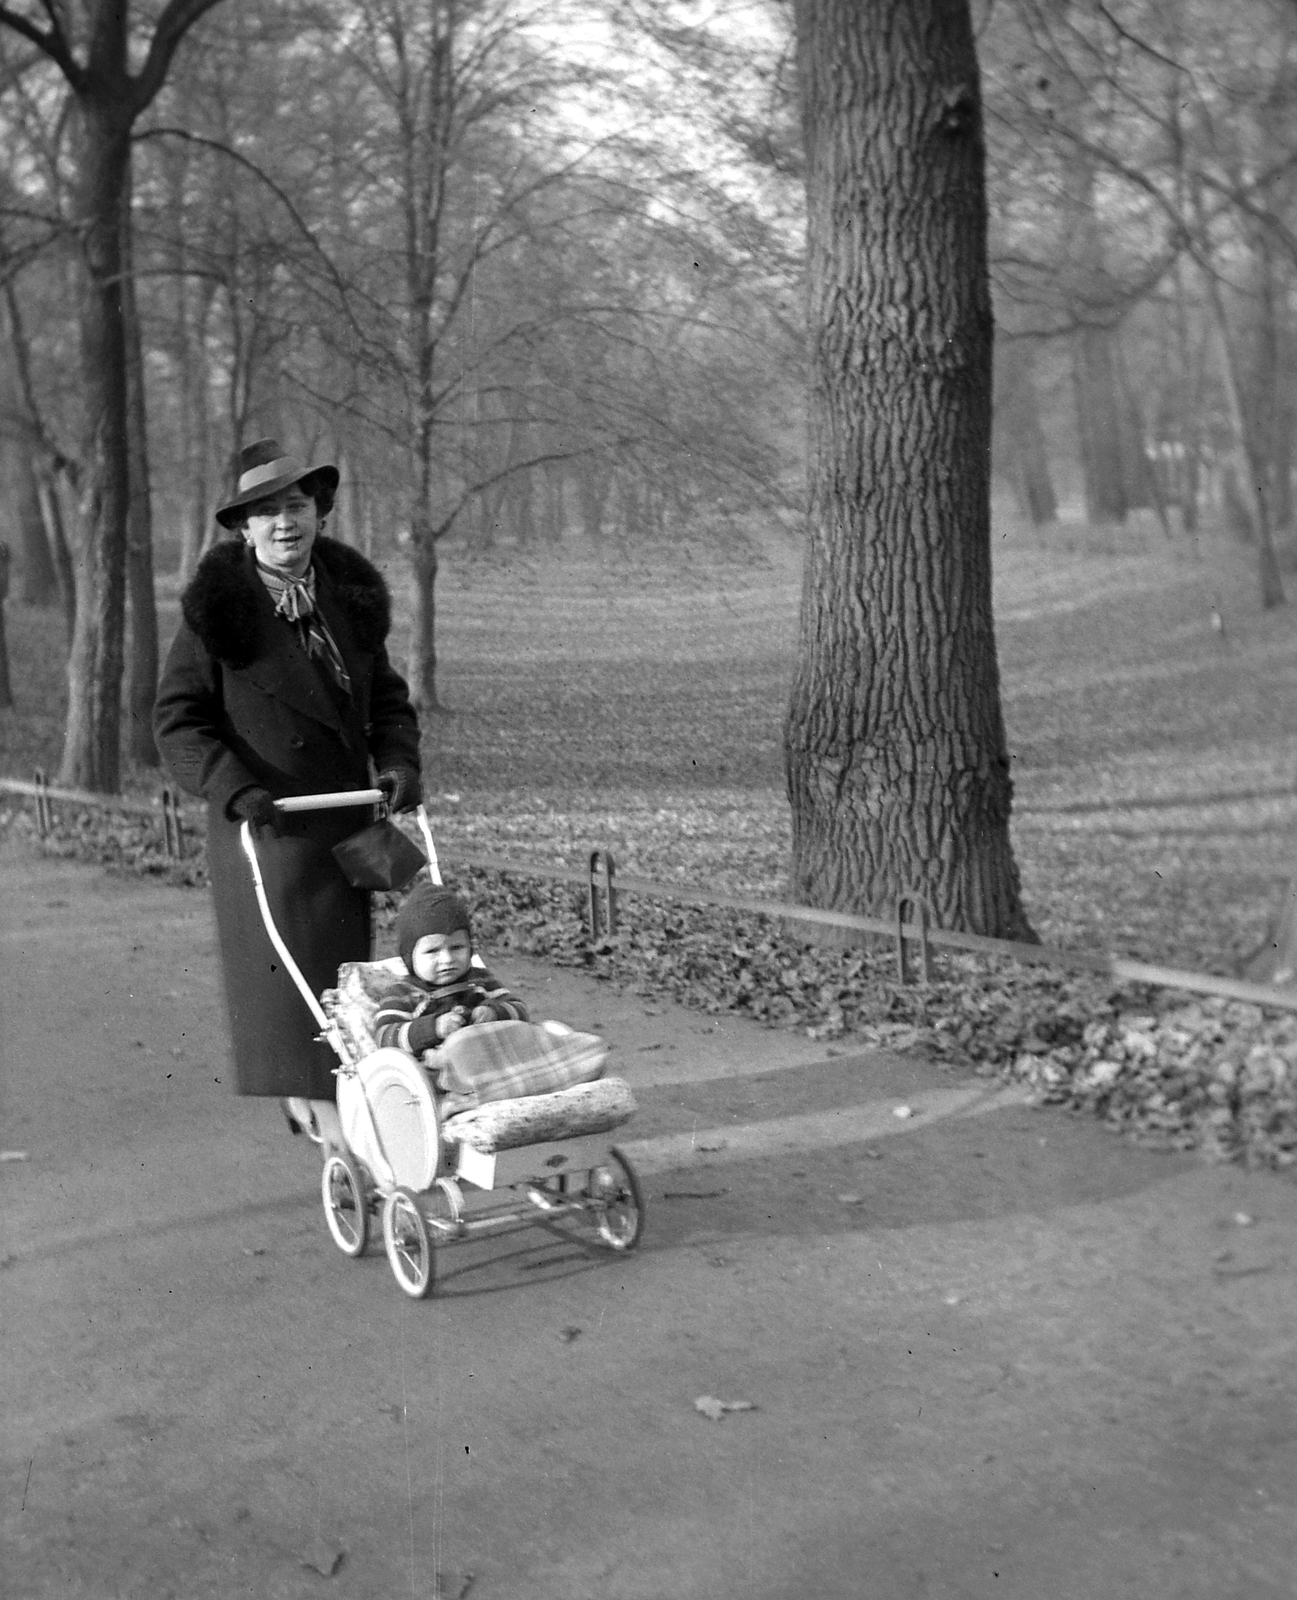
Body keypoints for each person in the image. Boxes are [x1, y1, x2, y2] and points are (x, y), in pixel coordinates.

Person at [154, 438, 422, 1151]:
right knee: (290, 983)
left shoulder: (349, 602)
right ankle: (327, 1115)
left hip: (346, 825)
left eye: (295, 505)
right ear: (244, 528)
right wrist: (231, 786)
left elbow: (388, 704)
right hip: (267, 828)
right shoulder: (218, 615)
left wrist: (396, 763)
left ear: (319, 514)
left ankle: (345, 1096)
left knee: (347, 982)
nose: (283, 523)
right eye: (265, 511)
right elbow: (178, 722)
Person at [373, 882, 528, 1056]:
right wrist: (433, 1029)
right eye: (432, 951)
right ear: (410, 957)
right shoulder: (402, 994)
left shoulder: (481, 981)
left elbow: (520, 1009)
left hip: (489, 1061)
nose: (447, 959)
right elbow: (383, 1037)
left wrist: (494, 1012)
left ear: (470, 947)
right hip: (434, 1074)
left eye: (457, 948)